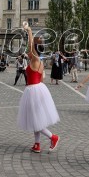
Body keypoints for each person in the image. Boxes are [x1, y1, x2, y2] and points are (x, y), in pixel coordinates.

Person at [17, 23, 60, 153]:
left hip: (34, 90)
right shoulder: (38, 62)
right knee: (36, 118)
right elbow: (41, 79)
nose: (28, 52)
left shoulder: (35, 60)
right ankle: (37, 144)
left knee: (35, 120)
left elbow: (30, 46)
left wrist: (29, 31)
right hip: (37, 89)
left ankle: (53, 137)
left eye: (31, 51)